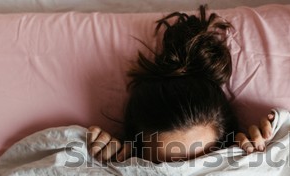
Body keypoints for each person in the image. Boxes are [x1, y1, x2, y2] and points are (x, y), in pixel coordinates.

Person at [88, 5, 274, 164]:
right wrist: (103, 161)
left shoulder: (242, 161)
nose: (185, 174)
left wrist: (263, 152)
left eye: (204, 162)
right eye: (165, 167)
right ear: (138, 155)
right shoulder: (122, 163)